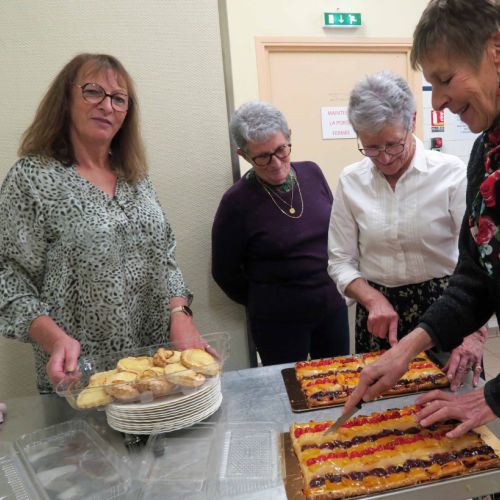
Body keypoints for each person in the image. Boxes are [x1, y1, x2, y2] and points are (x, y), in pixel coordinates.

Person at [0, 53, 206, 394]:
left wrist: (180, 313)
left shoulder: (136, 178)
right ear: (65, 99)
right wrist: (53, 339)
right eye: (93, 91)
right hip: (83, 378)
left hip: (156, 372)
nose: (107, 106)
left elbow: (165, 256)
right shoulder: (32, 178)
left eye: (119, 99)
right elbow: (7, 277)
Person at [344, 0, 500, 439]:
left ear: (496, 50)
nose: (440, 102)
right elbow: (474, 280)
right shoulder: (484, 153)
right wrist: (405, 352)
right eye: (433, 85)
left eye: (446, 79)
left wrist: (491, 397)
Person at [328, 70, 486, 390]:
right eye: (371, 148)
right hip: (380, 318)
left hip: (449, 309)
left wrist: (473, 334)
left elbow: (479, 260)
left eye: (393, 144)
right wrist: (371, 298)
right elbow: (340, 260)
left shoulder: (450, 173)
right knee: (382, 411)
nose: (384, 158)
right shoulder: (351, 181)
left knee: (453, 406)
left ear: (412, 121)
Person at [212, 101, 349, 365]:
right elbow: (224, 272)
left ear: (289, 137)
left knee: (340, 379)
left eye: (281, 150)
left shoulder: (312, 172)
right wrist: (267, 297)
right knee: (286, 386)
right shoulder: (236, 202)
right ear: (244, 155)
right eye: (262, 157)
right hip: (278, 321)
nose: (275, 163)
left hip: (330, 305)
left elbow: (334, 233)